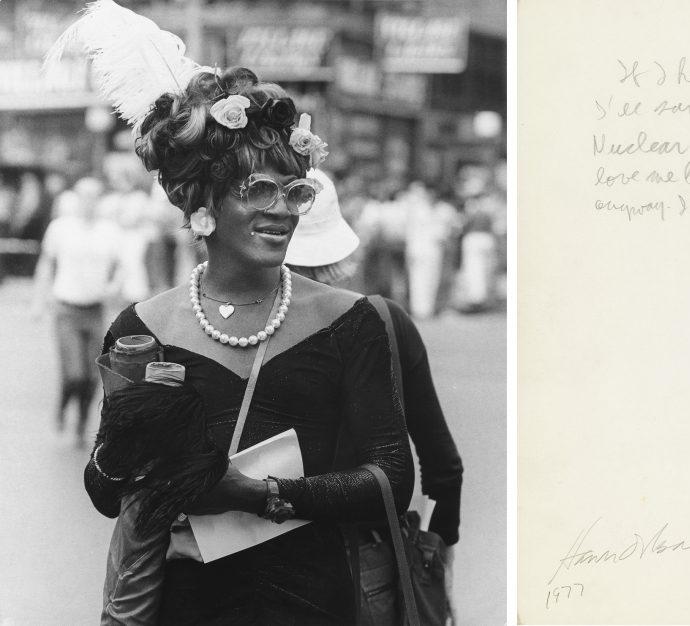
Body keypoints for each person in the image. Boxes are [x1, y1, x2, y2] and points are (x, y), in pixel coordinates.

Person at [83, 66, 413, 624]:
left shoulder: (350, 321)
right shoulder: (144, 327)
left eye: (295, 191)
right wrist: (124, 440)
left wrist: (256, 493)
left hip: (311, 601)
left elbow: (390, 479)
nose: (282, 210)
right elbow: (105, 490)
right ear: (203, 206)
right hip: (183, 605)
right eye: (259, 189)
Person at [285, 169, 464, 623]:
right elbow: (444, 466)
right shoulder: (385, 320)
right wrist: (438, 552)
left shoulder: (234, 330)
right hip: (368, 562)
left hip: (266, 562)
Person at [31, 176, 122, 445]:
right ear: (76, 199)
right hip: (66, 309)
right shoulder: (61, 228)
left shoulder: (110, 232)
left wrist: (114, 287)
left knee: (92, 376)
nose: (89, 203)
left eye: (94, 197)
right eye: (84, 197)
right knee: (74, 374)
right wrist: (38, 300)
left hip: (94, 310)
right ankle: (62, 403)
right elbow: (46, 265)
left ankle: (81, 422)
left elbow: (119, 269)